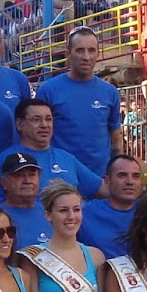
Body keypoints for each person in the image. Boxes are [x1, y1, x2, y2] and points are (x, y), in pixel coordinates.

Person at [36, 27, 123, 181]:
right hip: (61, 180)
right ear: (68, 53)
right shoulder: (48, 91)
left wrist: (118, 173)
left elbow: (116, 138)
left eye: (91, 50)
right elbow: (37, 139)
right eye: (80, 50)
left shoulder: (110, 92)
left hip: (101, 180)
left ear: (98, 53)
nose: (86, 57)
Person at [0, 98, 102, 206]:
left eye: (48, 119)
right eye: (36, 119)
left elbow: (101, 189)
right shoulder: (3, 161)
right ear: (19, 124)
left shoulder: (67, 158)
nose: (44, 125)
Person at [79, 154, 141, 259]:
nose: (130, 182)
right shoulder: (84, 213)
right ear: (107, 181)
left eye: (135, 176)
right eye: (122, 175)